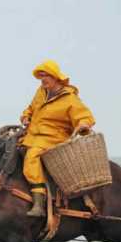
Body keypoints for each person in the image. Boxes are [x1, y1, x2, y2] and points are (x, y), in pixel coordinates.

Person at [20, 60, 95, 217]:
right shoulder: (41, 92)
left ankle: (39, 203)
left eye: (45, 76)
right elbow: (30, 108)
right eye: (40, 77)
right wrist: (26, 117)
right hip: (32, 136)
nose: (42, 80)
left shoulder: (70, 99)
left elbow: (85, 117)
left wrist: (83, 125)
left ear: (55, 77)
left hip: (54, 139)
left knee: (32, 156)